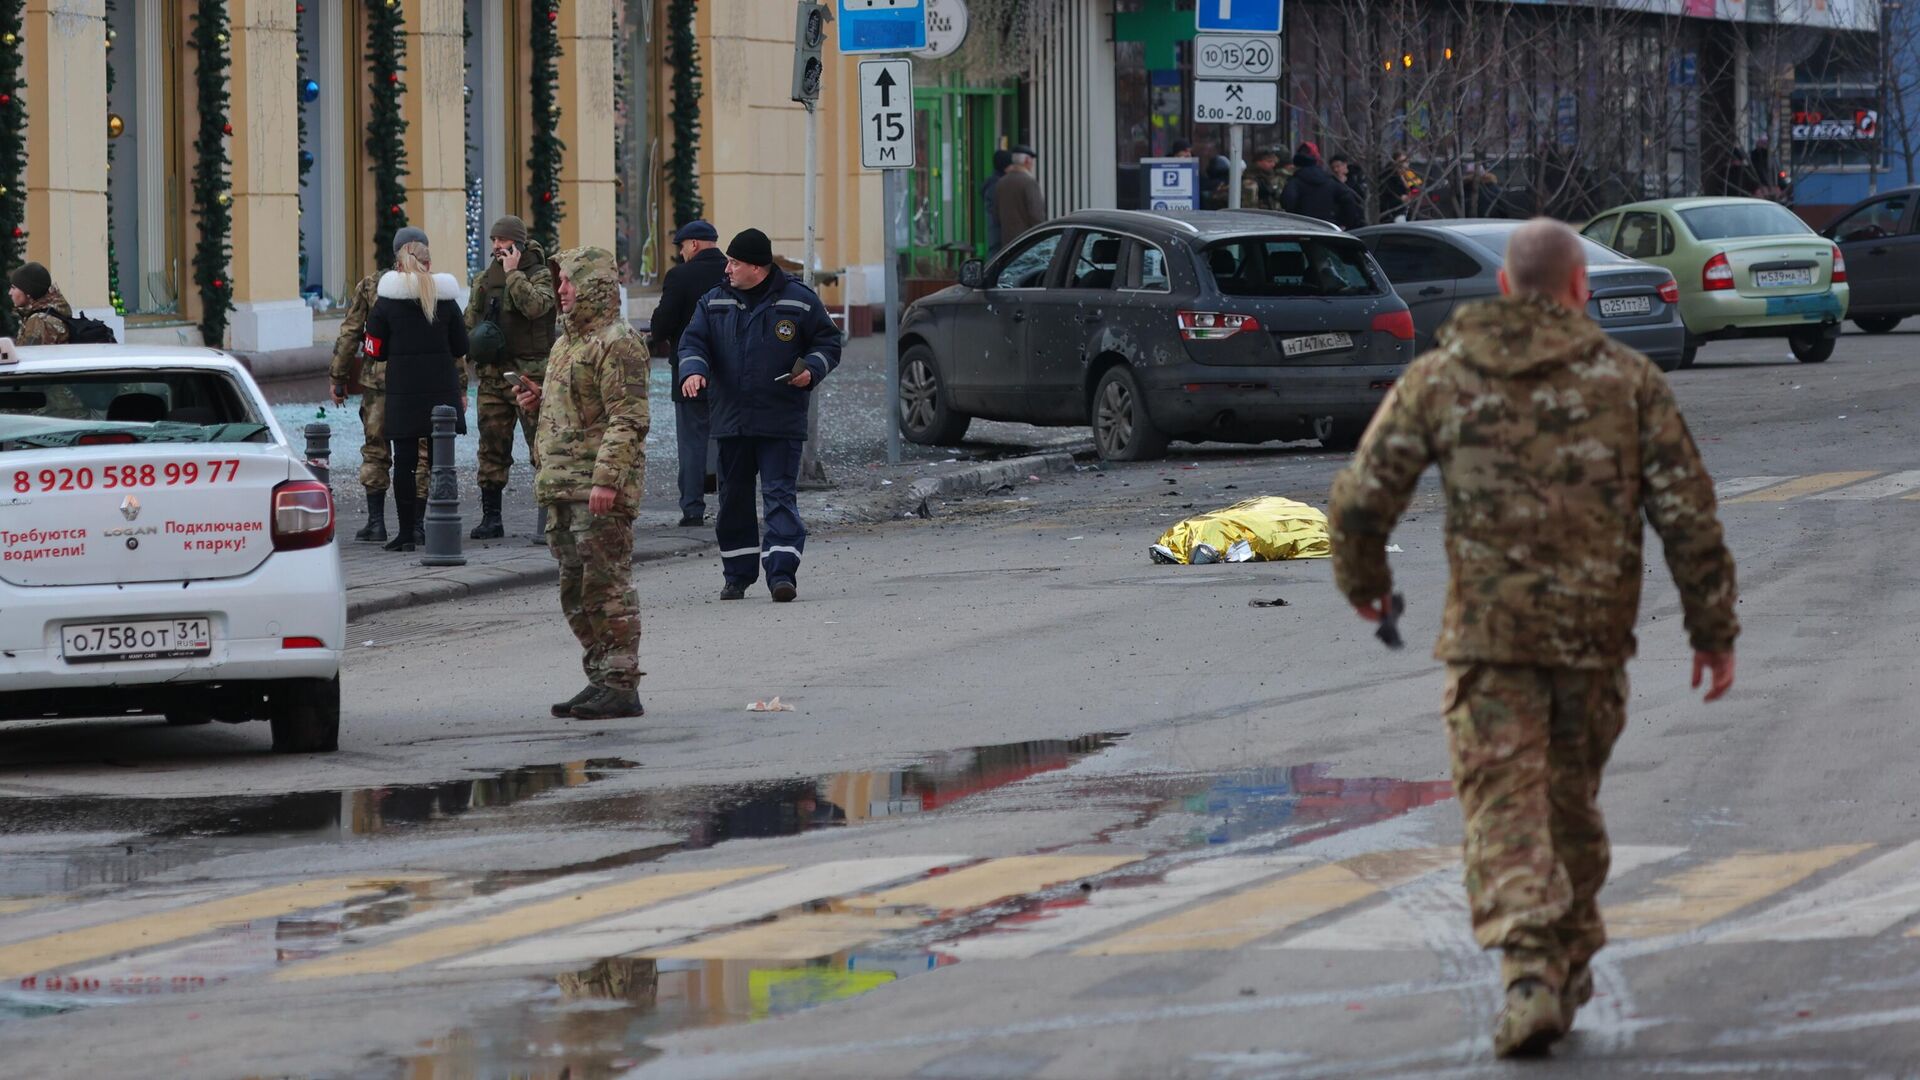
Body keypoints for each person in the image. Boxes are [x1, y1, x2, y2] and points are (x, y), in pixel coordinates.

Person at [1327, 219, 1739, 1058]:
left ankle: (1534, 973)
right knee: (1564, 809)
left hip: (1489, 644)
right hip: (1594, 651)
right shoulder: (1629, 381)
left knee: (1506, 811)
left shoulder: (1442, 378)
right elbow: (1687, 513)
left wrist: (1367, 586)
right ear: (1581, 288)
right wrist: (1712, 630)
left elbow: (1362, 499)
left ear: (1506, 288)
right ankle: (1553, 964)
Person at [511, 247, 650, 721]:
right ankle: (600, 677)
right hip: (562, 488)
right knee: (576, 590)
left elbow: (628, 418)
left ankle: (622, 683)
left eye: (568, 281)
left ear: (593, 285)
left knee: (606, 585)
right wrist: (537, 401)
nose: (561, 291)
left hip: (596, 489)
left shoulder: (619, 342)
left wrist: (608, 480)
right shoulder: (566, 343)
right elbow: (576, 409)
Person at [677, 228, 841, 603]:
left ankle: (781, 573)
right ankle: (737, 574)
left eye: (735, 262)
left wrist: (811, 370)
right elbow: (693, 342)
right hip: (731, 420)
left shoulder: (799, 301)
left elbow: (828, 342)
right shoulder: (714, 301)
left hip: (780, 418)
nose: (728, 268)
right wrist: (694, 371)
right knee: (733, 499)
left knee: (779, 495)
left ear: (757, 267)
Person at [331, 230, 441, 545]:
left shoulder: (371, 285)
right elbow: (447, 345)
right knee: (420, 452)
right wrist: (457, 387)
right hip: (419, 384)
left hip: (379, 382)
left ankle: (376, 522)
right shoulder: (432, 285)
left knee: (376, 449)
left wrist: (338, 377)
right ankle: (416, 525)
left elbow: (350, 332)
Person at [364, 237, 468, 554]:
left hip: (403, 393)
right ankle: (438, 529)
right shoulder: (447, 301)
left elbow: (375, 351)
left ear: (398, 267)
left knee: (405, 464)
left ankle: (407, 533)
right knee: (440, 464)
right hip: (442, 394)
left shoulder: (386, 303)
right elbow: (462, 347)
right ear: (429, 265)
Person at [463, 214, 557, 541]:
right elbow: (469, 322)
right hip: (492, 376)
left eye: (502, 241)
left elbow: (536, 308)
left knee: (541, 446)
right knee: (491, 447)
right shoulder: (484, 279)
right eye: (493, 241)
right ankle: (492, 517)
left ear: (518, 243)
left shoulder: (541, 274)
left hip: (531, 376)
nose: (497, 247)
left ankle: (551, 516)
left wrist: (514, 274)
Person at [647, 220, 728, 526]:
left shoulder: (680, 276)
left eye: (682, 247)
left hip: (689, 368)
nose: (681, 254)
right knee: (728, 438)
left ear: (693, 244)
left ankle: (693, 510)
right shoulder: (733, 271)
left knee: (692, 440)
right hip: (729, 372)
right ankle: (730, 504)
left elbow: (661, 325)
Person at [1280, 143, 1365, 229]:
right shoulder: (1329, 181)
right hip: (1327, 228)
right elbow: (1348, 200)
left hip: (1303, 228)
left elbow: (1287, 202)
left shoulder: (1295, 182)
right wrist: (1345, 223)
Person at [993, 145, 1049, 244]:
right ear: (1027, 160)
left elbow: (996, 212)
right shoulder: (1029, 182)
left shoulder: (1001, 182)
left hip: (1007, 241)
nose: (1032, 164)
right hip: (1027, 242)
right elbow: (1036, 215)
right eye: (1031, 160)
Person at [9, 263, 72, 345]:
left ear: (28, 292)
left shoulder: (39, 321)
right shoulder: (48, 313)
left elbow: (30, 355)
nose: (10, 292)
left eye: (14, 288)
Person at [982, 149, 1014, 253]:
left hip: (996, 230)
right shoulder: (997, 184)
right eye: (1011, 164)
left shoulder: (994, 182)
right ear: (1005, 166)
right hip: (998, 231)